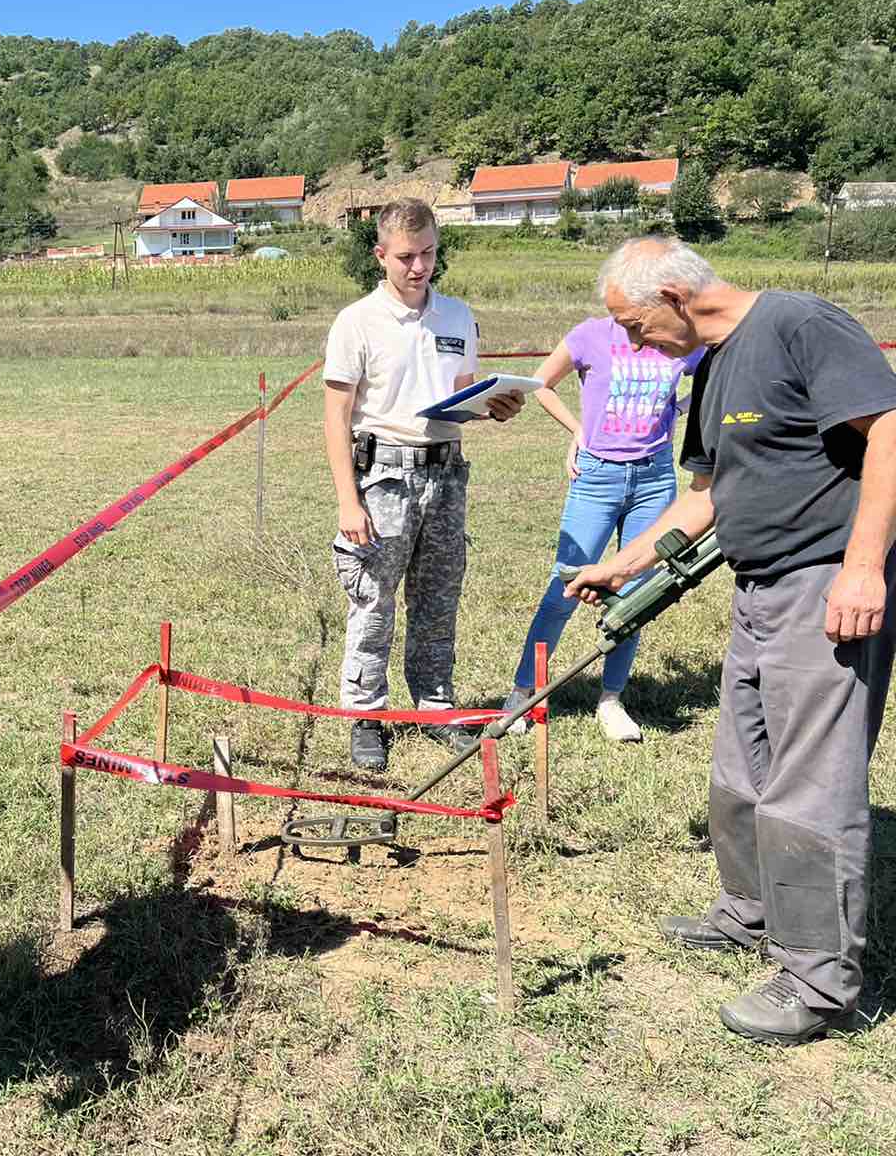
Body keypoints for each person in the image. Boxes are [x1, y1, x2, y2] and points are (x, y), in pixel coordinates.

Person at [569, 236, 896, 1045]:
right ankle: (751, 912)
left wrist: (863, 566)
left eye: (635, 325)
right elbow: (708, 494)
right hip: (756, 588)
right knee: (742, 766)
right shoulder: (711, 368)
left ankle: (819, 981)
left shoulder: (799, 323)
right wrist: (625, 562)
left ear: (677, 295)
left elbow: (889, 430)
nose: (633, 343)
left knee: (811, 782)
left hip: (824, 584)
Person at [323, 198, 523, 771]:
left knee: (438, 599)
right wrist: (347, 500)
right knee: (373, 600)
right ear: (380, 255)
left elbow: (459, 401)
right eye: (407, 256)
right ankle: (367, 715)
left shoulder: (457, 316)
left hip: (447, 473)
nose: (419, 267)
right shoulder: (356, 322)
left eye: (429, 253)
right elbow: (336, 418)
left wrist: (494, 407)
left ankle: (434, 706)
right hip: (382, 477)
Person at [503, 318, 704, 742]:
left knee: (634, 596)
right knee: (565, 588)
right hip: (597, 476)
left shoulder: (679, 337)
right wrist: (579, 430)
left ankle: (611, 700)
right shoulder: (589, 335)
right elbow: (541, 383)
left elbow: (714, 375)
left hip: (655, 478)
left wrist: (678, 408)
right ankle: (523, 693)